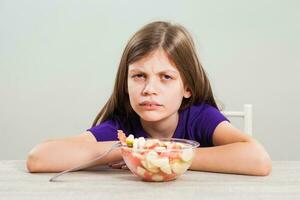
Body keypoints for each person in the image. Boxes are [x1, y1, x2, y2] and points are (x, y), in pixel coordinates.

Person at [26, 21, 272, 176]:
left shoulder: (200, 116)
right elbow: (39, 157)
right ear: (125, 82)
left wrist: (166, 153)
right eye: (139, 76)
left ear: (187, 87)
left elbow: (258, 159)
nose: (149, 89)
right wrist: (130, 151)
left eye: (165, 77)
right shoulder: (120, 127)